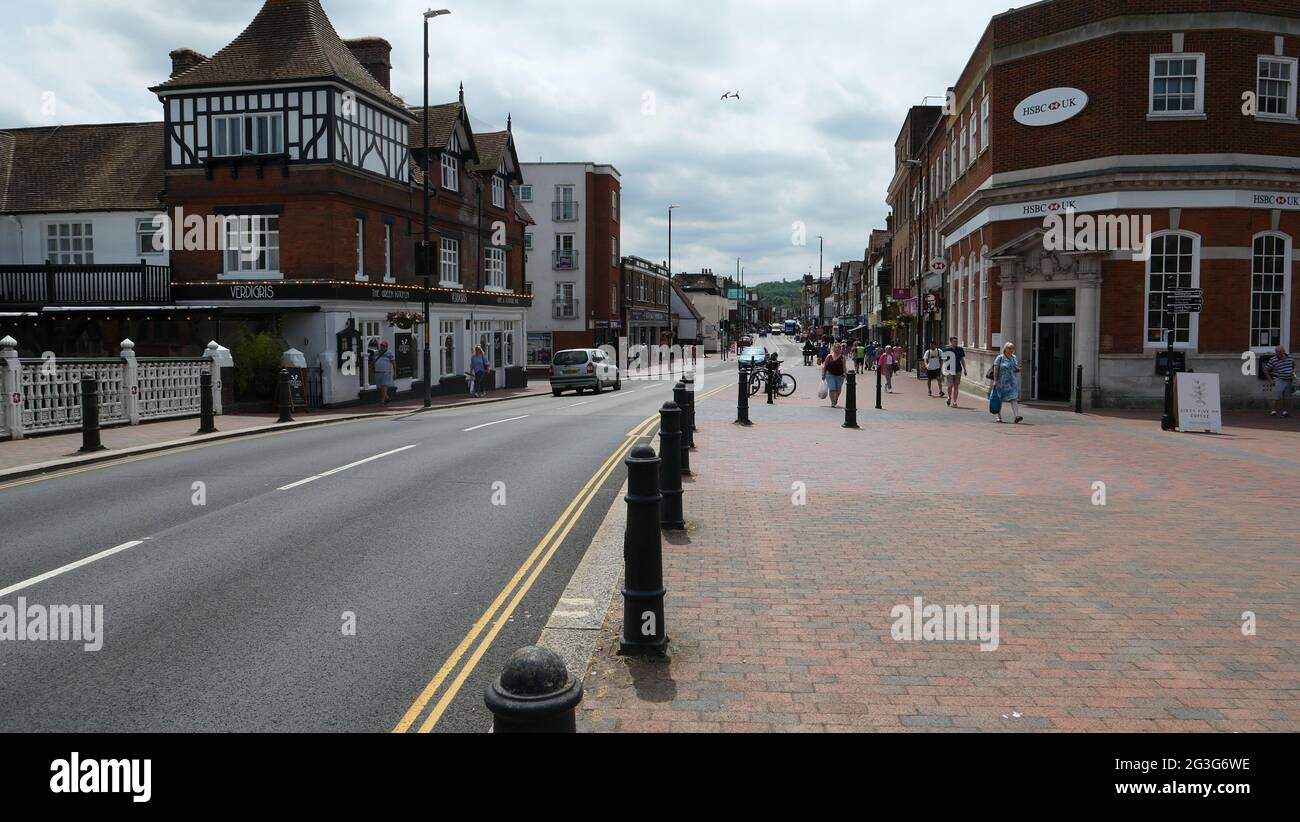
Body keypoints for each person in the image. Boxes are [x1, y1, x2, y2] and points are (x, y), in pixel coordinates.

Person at [991, 341, 1023, 423]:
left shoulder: (1014, 357)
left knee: (1014, 398)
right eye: (1010, 348)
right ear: (1005, 349)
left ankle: (1016, 416)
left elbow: (1015, 369)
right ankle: (999, 416)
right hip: (1001, 382)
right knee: (1000, 399)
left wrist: (1018, 369)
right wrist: (995, 380)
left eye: (1012, 348)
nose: (1011, 350)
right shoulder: (1000, 358)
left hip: (1012, 382)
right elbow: (996, 369)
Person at [1265, 344, 1295, 417]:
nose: (1278, 353)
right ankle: (1273, 411)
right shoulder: (1273, 359)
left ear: (1283, 351)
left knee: (1287, 397)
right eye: (1276, 352)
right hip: (1279, 379)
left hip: (1289, 379)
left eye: (1279, 352)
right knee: (1276, 397)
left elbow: (1293, 365)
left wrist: (1292, 372)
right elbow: (1265, 370)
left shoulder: (1290, 357)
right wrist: (1270, 380)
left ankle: (1285, 412)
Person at [941, 335, 968, 408]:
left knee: (956, 386)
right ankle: (949, 397)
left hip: (958, 370)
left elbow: (962, 360)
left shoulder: (960, 349)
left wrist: (965, 369)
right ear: (951, 342)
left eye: (956, 341)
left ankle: (955, 401)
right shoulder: (946, 350)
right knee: (950, 385)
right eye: (954, 341)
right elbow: (944, 361)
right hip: (949, 370)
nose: (955, 343)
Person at [822, 342, 847, 407]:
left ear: (840, 349)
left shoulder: (843, 357)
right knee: (832, 388)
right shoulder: (829, 356)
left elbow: (844, 367)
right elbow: (825, 366)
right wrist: (823, 375)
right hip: (830, 374)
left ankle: (836, 399)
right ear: (833, 348)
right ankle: (832, 402)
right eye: (836, 347)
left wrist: (846, 376)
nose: (837, 349)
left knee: (838, 389)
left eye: (839, 348)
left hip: (840, 375)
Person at [372, 339, 395, 405]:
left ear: (386, 347)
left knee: (384, 386)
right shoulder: (376, 353)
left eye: (384, 346)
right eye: (381, 346)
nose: (382, 347)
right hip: (378, 372)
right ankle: (387, 398)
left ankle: (382, 401)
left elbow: (393, 363)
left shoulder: (389, 353)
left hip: (386, 372)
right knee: (380, 387)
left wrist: (395, 373)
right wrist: (373, 368)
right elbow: (373, 361)